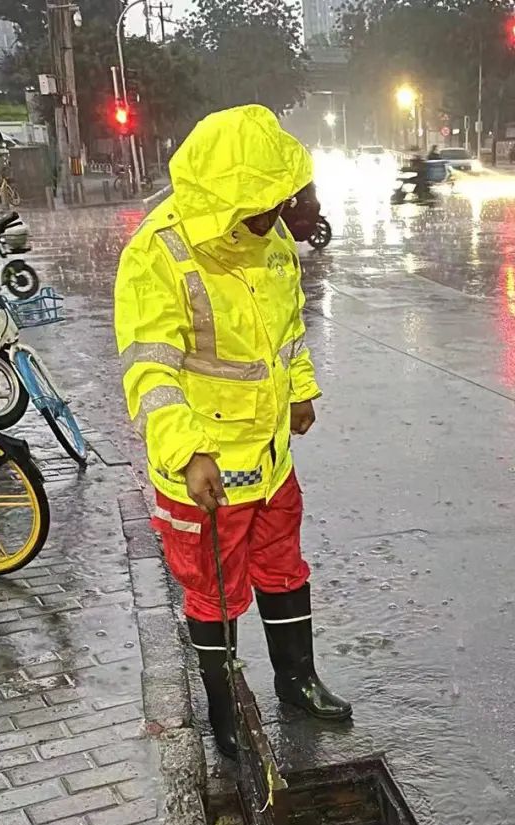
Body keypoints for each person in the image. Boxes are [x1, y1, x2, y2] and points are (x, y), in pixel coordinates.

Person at [114, 105, 351, 754]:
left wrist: (300, 390)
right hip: (207, 472)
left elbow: (287, 332)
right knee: (214, 590)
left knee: (282, 568)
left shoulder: (268, 239)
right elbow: (149, 371)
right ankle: (225, 711)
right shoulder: (157, 256)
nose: (276, 219)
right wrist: (188, 452)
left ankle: (297, 681)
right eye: (261, 208)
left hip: (270, 459)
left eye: (278, 205)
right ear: (226, 203)